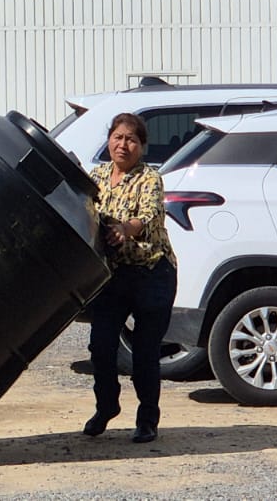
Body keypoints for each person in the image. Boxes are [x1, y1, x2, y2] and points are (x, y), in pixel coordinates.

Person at [83, 113, 176, 444]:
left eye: (131, 139)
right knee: (101, 346)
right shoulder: (97, 176)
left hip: (153, 273)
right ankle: (106, 406)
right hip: (114, 276)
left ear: (142, 146)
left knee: (145, 352)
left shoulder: (150, 179)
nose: (123, 144)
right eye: (118, 137)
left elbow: (148, 217)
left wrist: (125, 229)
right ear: (109, 139)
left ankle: (147, 419)